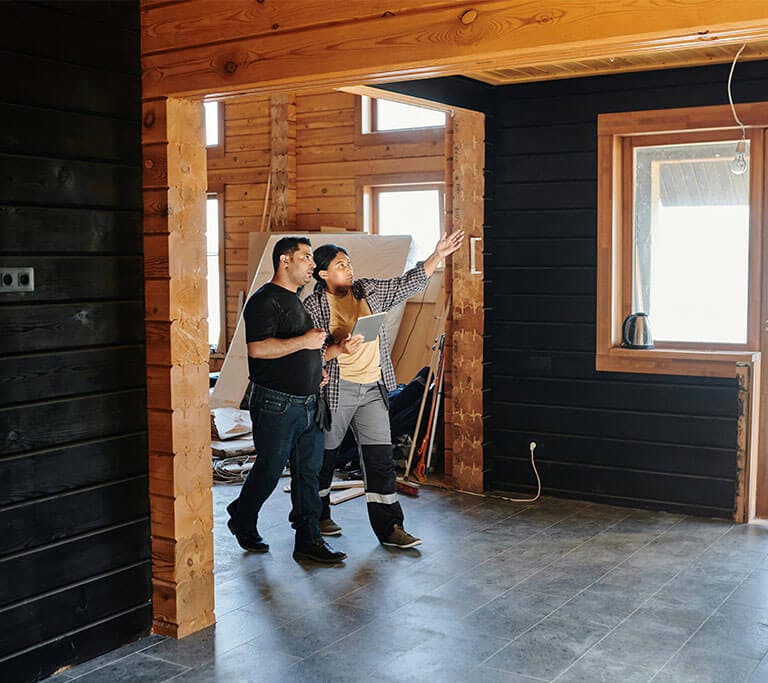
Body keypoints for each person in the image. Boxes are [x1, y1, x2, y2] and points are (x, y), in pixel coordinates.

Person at [303, 230, 464, 549]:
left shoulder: (369, 290)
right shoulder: (313, 305)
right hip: (337, 390)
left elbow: (408, 282)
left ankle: (390, 528)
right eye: (339, 265)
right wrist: (339, 347)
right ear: (323, 274)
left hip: (373, 388)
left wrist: (438, 255)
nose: (348, 269)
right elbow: (307, 352)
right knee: (325, 458)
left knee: (379, 460)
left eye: (348, 263)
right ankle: (317, 516)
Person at [226, 236, 346, 564]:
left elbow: (302, 351)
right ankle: (242, 517)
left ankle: (308, 540)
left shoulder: (297, 300)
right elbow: (259, 349)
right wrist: (306, 342)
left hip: (309, 402)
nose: (311, 264)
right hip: (276, 404)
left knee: (309, 472)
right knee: (269, 469)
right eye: (306, 258)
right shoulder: (264, 301)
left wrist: (318, 368)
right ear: (285, 261)